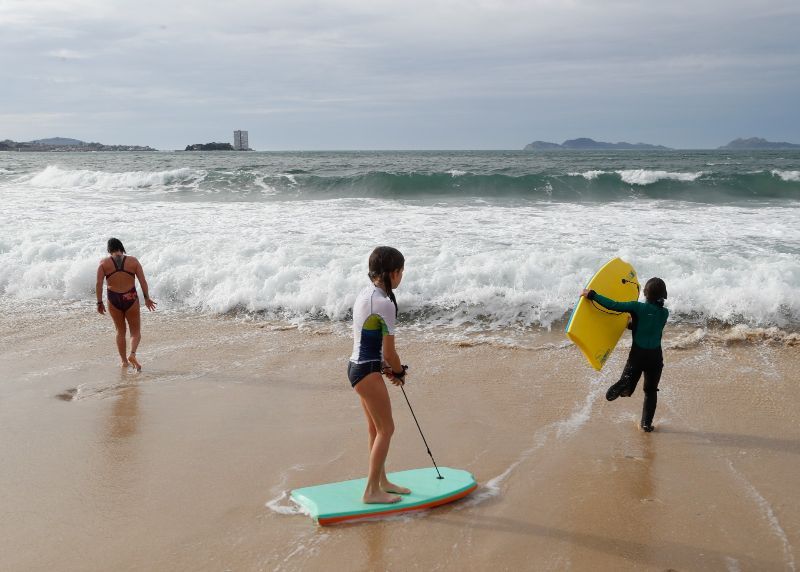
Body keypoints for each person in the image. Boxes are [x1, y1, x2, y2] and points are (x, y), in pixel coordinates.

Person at [347, 246, 411, 504]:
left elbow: (369, 342)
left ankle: (381, 480)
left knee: (376, 428)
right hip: (366, 370)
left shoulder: (366, 294)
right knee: (387, 429)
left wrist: (386, 369)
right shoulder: (384, 304)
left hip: (358, 367)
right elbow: (390, 352)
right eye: (401, 271)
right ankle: (371, 491)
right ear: (393, 273)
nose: (402, 276)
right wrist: (398, 371)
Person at [580, 277, 669, 432]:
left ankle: (623, 383)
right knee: (650, 391)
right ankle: (646, 424)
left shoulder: (637, 307)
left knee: (627, 391)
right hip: (655, 359)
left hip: (637, 357)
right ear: (664, 295)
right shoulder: (664, 313)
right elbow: (648, 327)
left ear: (645, 293)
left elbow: (613, 305)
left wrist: (592, 294)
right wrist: (631, 325)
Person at [96, 238, 157, 370]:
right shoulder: (133, 261)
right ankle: (132, 354)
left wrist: (99, 302)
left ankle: (124, 362)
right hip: (130, 297)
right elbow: (142, 281)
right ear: (121, 247)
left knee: (120, 331)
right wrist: (147, 298)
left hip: (113, 299)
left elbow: (99, 284)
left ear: (109, 249)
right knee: (135, 332)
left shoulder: (104, 263)